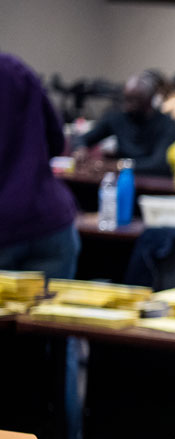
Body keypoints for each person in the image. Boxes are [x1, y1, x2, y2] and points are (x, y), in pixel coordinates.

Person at [0, 52, 80, 279]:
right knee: (48, 314)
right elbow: (56, 141)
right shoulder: (14, 68)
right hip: (47, 220)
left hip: (6, 228)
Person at [72, 72, 175, 176]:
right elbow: (82, 139)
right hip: (123, 180)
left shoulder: (167, 124)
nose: (127, 106)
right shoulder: (118, 118)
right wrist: (80, 149)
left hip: (154, 183)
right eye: (126, 99)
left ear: (149, 100)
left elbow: (158, 164)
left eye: (134, 100)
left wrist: (119, 166)